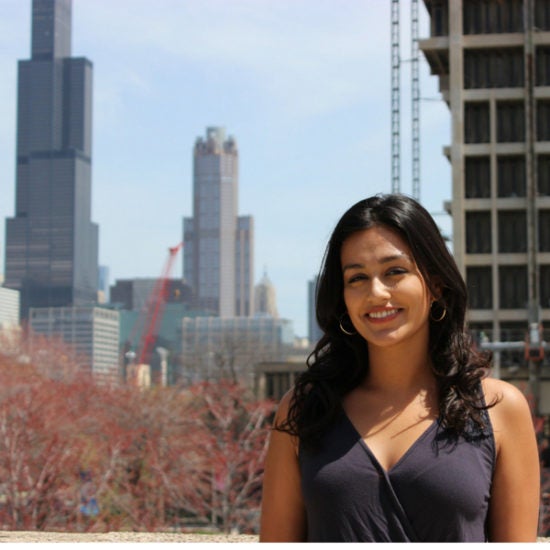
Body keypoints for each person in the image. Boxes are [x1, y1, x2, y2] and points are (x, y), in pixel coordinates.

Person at [260, 194, 540, 542]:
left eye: (395, 272)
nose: (376, 292)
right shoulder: (304, 410)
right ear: (343, 297)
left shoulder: (499, 409)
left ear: (436, 284)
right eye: (357, 278)